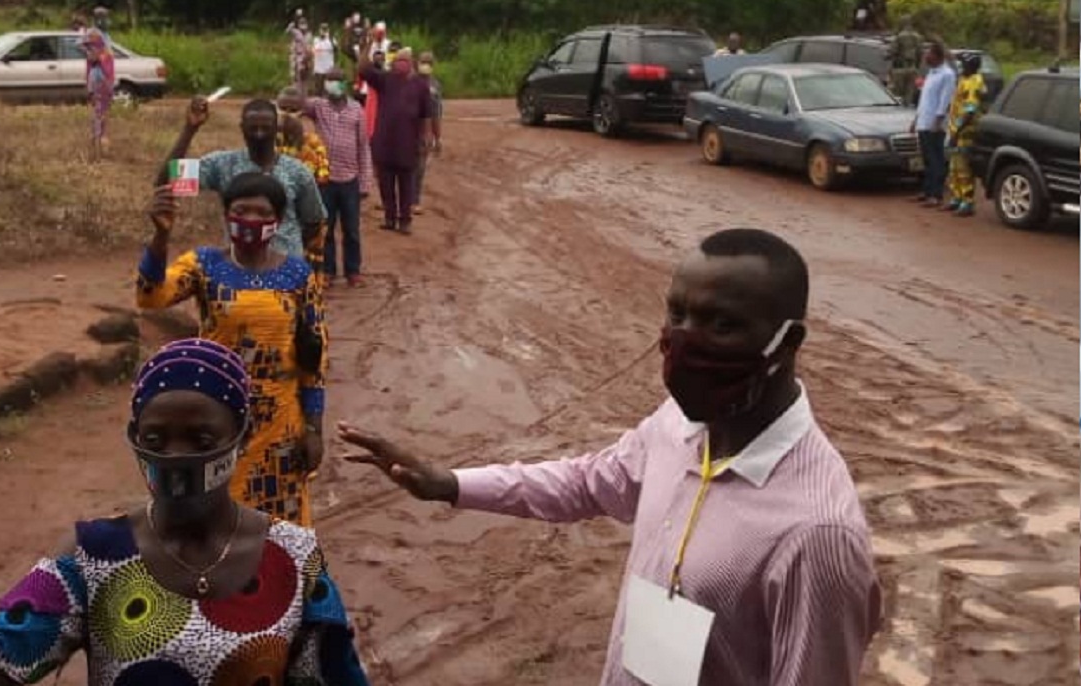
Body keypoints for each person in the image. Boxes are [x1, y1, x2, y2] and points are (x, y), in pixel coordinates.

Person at [341, 228, 882, 686]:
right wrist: (450, 484)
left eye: (720, 325)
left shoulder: (816, 534)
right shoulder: (679, 423)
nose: (684, 340)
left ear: (788, 344)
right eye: (677, 313)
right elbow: (586, 482)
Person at [0, 338, 368, 685]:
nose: (176, 458)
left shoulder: (294, 556)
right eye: (156, 441)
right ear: (135, 441)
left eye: (201, 441)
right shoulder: (94, 555)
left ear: (242, 439)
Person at [136, 174, 327, 525]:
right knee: (213, 514)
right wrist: (161, 237)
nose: (251, 220)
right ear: (226, 216)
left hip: (279, 423)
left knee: (281, 523)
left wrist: (314, 429)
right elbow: (150, 296)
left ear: (279, 221)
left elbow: (315, 356)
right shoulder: (205, 265)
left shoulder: (298, 275)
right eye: (241, 210)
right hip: (216, 420)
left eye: (261, 212)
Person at [158, 97, 327, 259]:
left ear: (276, 128)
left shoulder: (298, 172)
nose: (259, 134)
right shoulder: (222, 164)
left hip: (285, 273)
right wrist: (190, 129)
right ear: (242, 128)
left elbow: (313, 222)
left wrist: (287, 248)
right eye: (253, 128)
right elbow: (167, 181)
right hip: (237, 271)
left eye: (265, 128)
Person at [302, 68, 373, 287]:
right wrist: (303, 74)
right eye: (329, 81)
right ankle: (328, 271)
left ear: (345, 84)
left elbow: (363, 147)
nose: (332, 84)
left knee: (351, 229)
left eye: (337, 81)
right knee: (327, 228)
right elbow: (298, 101)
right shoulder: (319, 107)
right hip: (324, 180)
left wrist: (365, 181)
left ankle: (353, 271)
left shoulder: (356, 110)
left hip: (350, 180)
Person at [358, 44, 434, 235]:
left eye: (405, 60)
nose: (401, 63)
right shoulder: (385, 80)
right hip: (384, 142)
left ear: (412, 64)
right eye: (398, 60)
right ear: (393, 63)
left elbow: (426, 115)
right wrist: (365, 48)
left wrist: (426, 137)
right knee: (385, 182)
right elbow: (363, 69)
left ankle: (405, 221)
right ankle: (389, 218)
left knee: (406, 184)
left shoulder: (421, 85)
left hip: (408, 144)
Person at [911, 42, 956, 208]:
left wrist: (937, 121)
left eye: (928, 54)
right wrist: (915, 120)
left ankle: (936, 195)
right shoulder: (931, 73)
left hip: (935, 124)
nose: (925, 57)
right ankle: (927, 191)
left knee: (936, 160)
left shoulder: (947, 75)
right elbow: (924, 100)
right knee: (926, 159)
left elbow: (945, 100)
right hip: (924, 121)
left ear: (938, 56)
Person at [943, 53, 987, 218]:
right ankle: (957, 197)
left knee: (964, 168)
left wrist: (957, 132)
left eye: (963, 64)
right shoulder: (964, 79)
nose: (960, 67)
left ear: (972, 66)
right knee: (953, 167)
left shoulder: (975, 82)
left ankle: (967, 202)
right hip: (955, 129)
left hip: (966, 132)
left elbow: (970, 111)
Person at [79, 7, 116, 158]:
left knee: (103, 111)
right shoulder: (93, 33)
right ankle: (97, 145)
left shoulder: (105, 34)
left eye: (107, 17)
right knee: (99, 111)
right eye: (104, 17)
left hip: (107, 76)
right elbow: (80, 45)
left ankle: (100, 141)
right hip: (99, 77)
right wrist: (93, 54)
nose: (107, 20)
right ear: (98, 18)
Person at [277, 86, 331, 187]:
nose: (287, 113)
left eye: (293, 110)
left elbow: (323, 177)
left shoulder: (313, 142)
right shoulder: (268, 139)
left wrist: (304, 152)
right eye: (283, 108)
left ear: (302, 112)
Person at [412, 52, 443, 217]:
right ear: (417, 62)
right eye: (423, 61)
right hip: (408, 131)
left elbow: (436, 114)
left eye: (429, 62)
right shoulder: (409, 82)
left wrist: (437, 138)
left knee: (419, 168)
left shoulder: (436, 86)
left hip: (425, 132)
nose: (426, 65)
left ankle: (414, 200)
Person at [887, 16, 924, 104]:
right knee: (909, 93)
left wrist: (887, 56)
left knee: (896, 94)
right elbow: (920, 53)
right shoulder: (918, 37)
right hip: (912, 68)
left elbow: (893, 51)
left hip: (899, 68)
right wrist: (917, 67)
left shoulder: (899, 37)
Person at [287, 15, 312, 89]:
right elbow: (288, 31)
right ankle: (294, 90)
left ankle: (303, 92)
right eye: (301, 24)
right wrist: (293, 22)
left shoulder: (309, 34)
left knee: (304, 75)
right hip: (295, 55)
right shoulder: (296, 32)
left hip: (304, 56)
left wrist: (308, 57)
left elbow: (309, 46)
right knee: (294, 75)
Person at [312, 23, 337, 96]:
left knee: (328, 90)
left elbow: (336, 49)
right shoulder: (316, 40)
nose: (323, 31)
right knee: (318, 90)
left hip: (328, 69)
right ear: (319, 30)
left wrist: (329, 38)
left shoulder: (332, 40)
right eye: (322, 30)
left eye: (325, 30)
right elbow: (314, 50)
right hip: (318, 69)